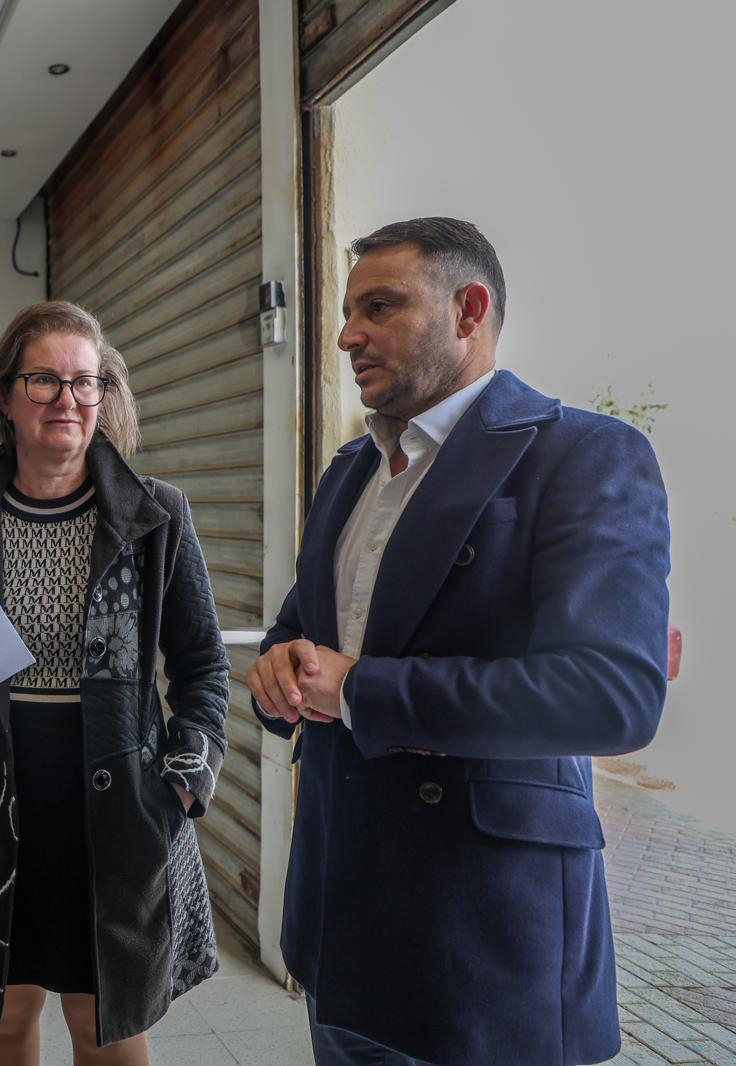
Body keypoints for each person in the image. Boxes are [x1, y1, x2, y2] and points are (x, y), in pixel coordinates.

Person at [247, 217, 670, 1066]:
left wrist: (358, 690)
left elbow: (611, 696)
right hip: (336, 922)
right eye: (347, 311)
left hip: (484, 942)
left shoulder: (583, 454)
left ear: (468, 310)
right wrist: (279, 670)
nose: (347, 335)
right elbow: (305, 632)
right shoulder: (350, 470)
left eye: (379, 307)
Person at [0, 301, 231, 1065]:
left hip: (118, 806)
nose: (68, 400)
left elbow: (203, 664)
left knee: (103, 1018)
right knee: (3, 1013)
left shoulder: (156, 519)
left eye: (87, 382)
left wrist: (183, 783)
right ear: (5, 397)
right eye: (44, 380)